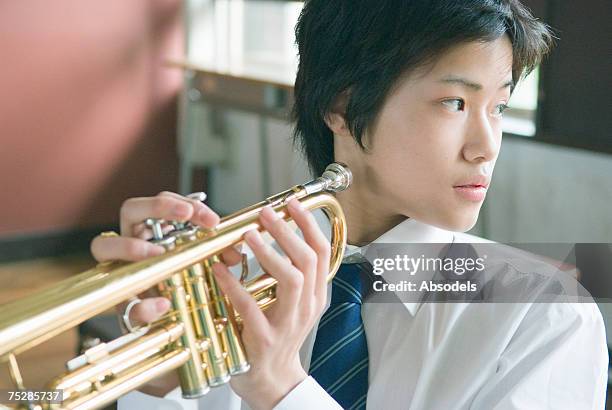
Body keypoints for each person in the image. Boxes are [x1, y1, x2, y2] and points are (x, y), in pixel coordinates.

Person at [90, 0, 609, 409]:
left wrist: (282, 389)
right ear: (341, 106)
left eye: (498, 107)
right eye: (454, 102)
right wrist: (160, 385)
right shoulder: (234, 273)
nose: (486, 145)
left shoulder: (546, 316)